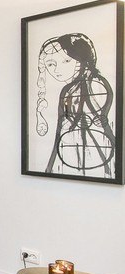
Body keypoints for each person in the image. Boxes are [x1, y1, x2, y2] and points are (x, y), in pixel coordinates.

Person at [36, 33, 115, 176]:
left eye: (66, 61)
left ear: (81, 60)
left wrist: (99, 120)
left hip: (96, 144)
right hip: (69, 145)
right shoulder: (66, 91)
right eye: (50, 64)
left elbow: (106, 115)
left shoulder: (97, 84)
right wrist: (72, 122)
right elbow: (61, 125)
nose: (55, 69)